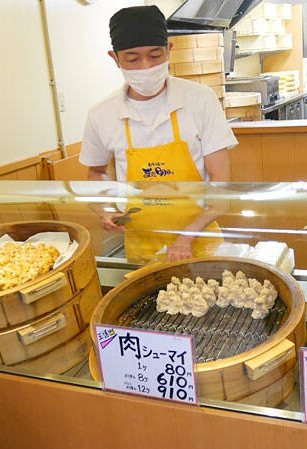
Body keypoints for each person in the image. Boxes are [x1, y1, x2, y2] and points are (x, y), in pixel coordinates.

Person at [80, 6, 237, 263]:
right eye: (133, 59)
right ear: (115, 59)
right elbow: (96, 172)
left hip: (200, 245)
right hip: (141, 248)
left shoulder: (201, 100)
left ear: (169, 50)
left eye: (155, 56)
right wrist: (105, 209)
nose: (146, 66)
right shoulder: (101, 114)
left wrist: (185, 238)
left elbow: (221, 190)